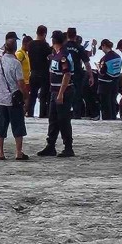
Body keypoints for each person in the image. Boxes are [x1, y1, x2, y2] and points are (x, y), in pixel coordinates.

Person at [37, 30, 75, 158]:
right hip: (54, 91)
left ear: (53, 41)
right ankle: (50, 146)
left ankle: (68, 147)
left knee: (63, 120)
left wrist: (61, 93)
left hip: (62, 92)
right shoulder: (56, 54)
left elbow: (67, 74)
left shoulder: (63, 55)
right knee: (52, 119)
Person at [0, 39, 29, 160]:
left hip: (0, 98)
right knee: (18, 126)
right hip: (14, 99)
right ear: (15, 49)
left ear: (5, 48)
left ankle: (0, 152)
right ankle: (18, 152)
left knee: (1, 126)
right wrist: (26, 96)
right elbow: (20, 83)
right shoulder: (16, 63)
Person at [64, 28, 94, 119]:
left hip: (65, 73)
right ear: (75, 36)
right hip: (77, 73)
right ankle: (76, 115)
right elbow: (87, 63)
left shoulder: (63, 46)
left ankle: (65, 113)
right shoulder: (79, 47)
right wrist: (91, 76)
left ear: (67, 35)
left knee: (65, 93)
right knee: (77, 95)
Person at [27, 26, 52, 118]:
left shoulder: (30, 44)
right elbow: (50, 57)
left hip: (33, 72)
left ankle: (30, 114)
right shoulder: (45, 45)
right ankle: (42, 115)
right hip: (44, 73)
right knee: (43, 96)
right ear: (45, 34)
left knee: (32, 95)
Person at [96, 39, 122, 120]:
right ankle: (113, 118)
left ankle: (107, 120)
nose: (102, 50)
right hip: (115, 83)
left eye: (102, 48)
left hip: (105, 84)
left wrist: (98, 68)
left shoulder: (105, 59)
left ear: (104, 46)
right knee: (113, 101)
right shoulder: (118, 57)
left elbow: (102, 72)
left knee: (105, 104)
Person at [15, 35, 32, 114]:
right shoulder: (20, 54)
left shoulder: (26, 54)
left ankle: (24, 113)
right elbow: (15, 66)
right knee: (24, 99)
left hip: (27, 81)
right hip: (22, 81)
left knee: (27, 99)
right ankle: (21, 113)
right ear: (25, 44)